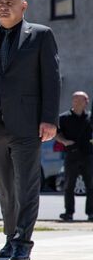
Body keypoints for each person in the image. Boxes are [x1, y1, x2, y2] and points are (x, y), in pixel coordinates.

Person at [0, 0, 61, 260]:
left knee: (26, 185)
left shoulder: (41, 35)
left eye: (10, 2)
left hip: (27, 125)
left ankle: (24, 241)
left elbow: (52, 79)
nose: (3, 7)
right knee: (5, 187)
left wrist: (50, 119)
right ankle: (10, 237)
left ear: (24, 6)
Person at [56, 91, 93, 222]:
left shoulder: (90, 117)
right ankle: (69, 212)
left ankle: (91, 213)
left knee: (91, 185)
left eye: (80, 100)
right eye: (75, 99)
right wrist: (64, 141)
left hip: (88, 155)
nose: (77, 102)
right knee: (69, 185)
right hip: (71, 155)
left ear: (86, 102)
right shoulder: (64, 118)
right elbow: (57, 133)